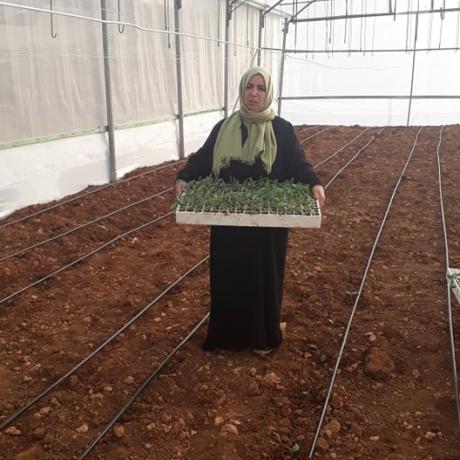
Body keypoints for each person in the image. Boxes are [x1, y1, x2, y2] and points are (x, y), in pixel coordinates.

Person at [175, 66, 325, 354]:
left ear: (268, 93)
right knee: (228, 275)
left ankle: (262, 338)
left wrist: (314, 183)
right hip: (229, 220)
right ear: (242, 90)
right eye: (249, 87)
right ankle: (227, 337)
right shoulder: (225, 128)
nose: (254, 94)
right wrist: (184, 175)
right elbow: (204, 159)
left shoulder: (281, 129)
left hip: (268, 224)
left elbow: (297, 163)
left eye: (260, 88)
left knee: (262, 277)